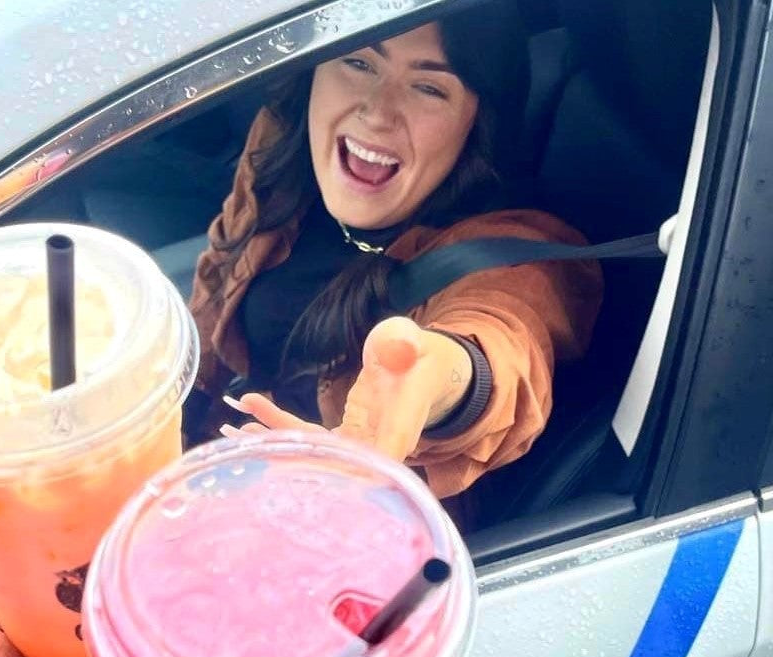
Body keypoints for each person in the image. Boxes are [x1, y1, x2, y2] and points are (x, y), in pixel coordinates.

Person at [185, 3, 604, 505]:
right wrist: (173, 407)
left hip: (347, 517)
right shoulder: (283, 146)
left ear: (477, 121)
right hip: (218, 464)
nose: (377, 114)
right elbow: (218, 273)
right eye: (358, 62)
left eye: (429, 88)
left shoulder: (511, 248)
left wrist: (432, 376)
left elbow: (504, 343)